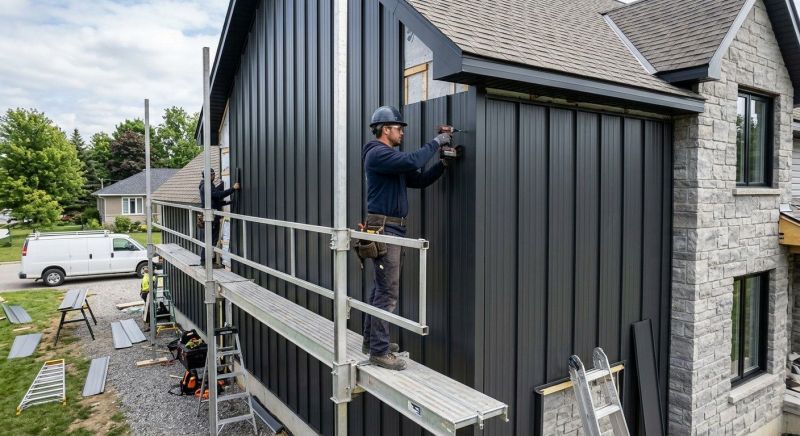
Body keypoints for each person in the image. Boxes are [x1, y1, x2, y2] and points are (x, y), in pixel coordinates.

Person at [361, 105, 454, 370]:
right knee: (387, 292)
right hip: (385, 229)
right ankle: (379, 351)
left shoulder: (390, 158)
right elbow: (413, 161)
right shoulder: (378, 154)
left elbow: (419, 179)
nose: (402, 132)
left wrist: (443, 164)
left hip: (392, 229)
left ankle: (372, 341)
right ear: (385, 129)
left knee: (380, 288)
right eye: (398, 128)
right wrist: (436, 142)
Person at [198, 168, 240, 267]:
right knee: (210, 240)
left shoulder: (207, 185)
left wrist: (227, 202)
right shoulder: (206, 186)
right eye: (213, 174)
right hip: (210, 217)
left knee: (211, 239)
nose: (214, 176)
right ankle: (206, 262)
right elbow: (218, 195)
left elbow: (214, 200)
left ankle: (208, 261)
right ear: (209, 175)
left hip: (212, 216)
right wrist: (233, 189)